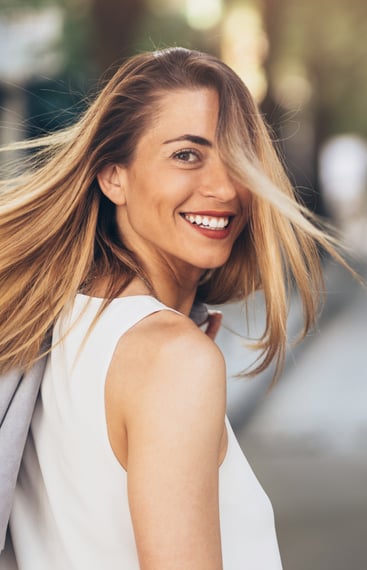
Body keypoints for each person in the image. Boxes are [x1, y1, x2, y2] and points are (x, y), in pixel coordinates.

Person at [0, 47, 348, 569]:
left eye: (238, 158)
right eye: (187, 154)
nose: (224, 186)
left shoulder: (52, 322)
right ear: (112, 175)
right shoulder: (171, 360)